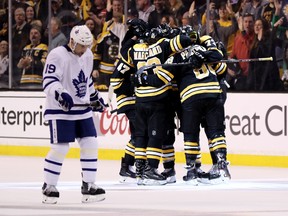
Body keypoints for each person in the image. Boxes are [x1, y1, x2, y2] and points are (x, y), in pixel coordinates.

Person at [113, 20, 193, 185]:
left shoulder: (136, 48)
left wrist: (138, 81)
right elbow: (185, 41)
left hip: (141, 98)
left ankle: (142, 170)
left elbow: (123, 59)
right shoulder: (163, 45)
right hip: (150, 98)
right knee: (152, 135)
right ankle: (146, 168)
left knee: (144, 135)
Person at [42, 25, 107, 204]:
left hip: (82, 108)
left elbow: (87, 81)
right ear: (72, 41)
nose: (84, 49)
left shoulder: (87, 54)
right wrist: (61, 94)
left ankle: (89, 184)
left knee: (91, 142)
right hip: (60, 110)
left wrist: (96, 98)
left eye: (87, 46)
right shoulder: (56, 55)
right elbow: (49, 81)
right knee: (61, 147)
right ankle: (49, 186)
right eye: (81, 45)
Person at [228, 13, 255, 91]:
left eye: (250, 22)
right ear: (242, 23)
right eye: (245, 22)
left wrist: (243, 32)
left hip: (252, 76)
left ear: (253, 23)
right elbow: (232, 56)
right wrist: (229, 69)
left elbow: (249, 48)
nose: (248, 24)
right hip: (240, 75)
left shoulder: (255, 37)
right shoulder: (238, 38)